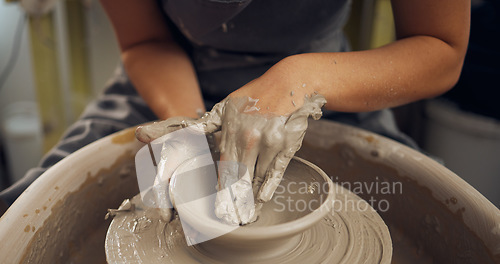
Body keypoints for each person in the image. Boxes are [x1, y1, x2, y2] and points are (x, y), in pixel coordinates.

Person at [0, 0, 470, 210]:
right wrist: (189, 129)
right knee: (23, 214)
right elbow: (145, 40)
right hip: (171, 78)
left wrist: (299, 79)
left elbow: (441, 48)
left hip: (328, 85)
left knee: (435, 223)